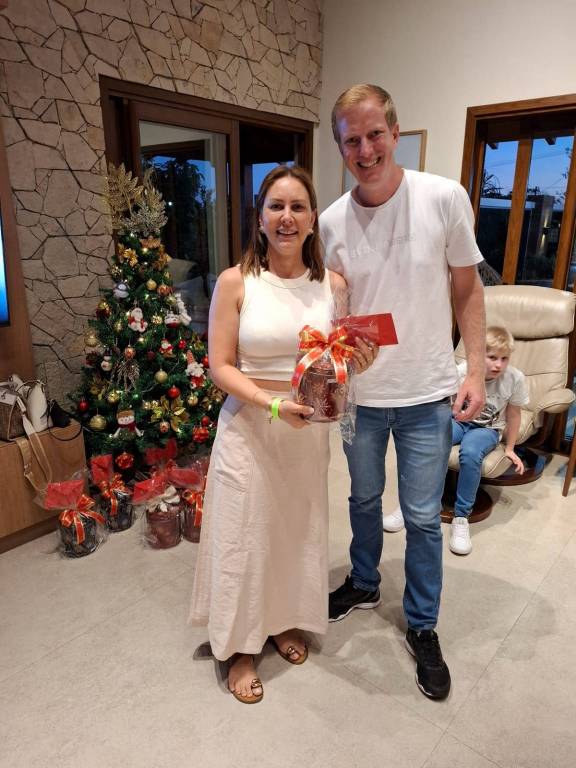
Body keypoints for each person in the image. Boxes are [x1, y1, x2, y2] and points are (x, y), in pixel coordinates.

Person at [320, 84, 486, 700]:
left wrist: (475, 371)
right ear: (340, 147)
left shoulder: (443, 197)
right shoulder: (330, 221)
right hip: (361, 397)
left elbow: (467, 289)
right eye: (351, 141)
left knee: (420, 517)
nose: (365, 151)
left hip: (426, 393)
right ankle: (364, 582)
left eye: (374, 135)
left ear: (394, 132)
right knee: (363, 499)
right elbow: (333, 306)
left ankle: (422, 624)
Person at [189, 165, 377, 704]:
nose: (287, 217)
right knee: (244, 537)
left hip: (306, 434)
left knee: (294, 533)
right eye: (276, 206)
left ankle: (281, 621)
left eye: (298, 207)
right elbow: (220, 366)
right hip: (251, 427)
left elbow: (335, 360)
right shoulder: (236, 282)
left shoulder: (333, 287)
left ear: (314, 219)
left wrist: (358, 361)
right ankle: (239, 647)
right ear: (260, 217)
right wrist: (271, 404)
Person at [449, 326, 529, 555]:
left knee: (470, 452)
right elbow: (445, 402)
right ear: (478, 354)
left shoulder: (515, 378)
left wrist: (510, 448)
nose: (498, 365)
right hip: (458, 420)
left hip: (487, 429)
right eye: (492, 357)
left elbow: (514, 414)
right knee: (434, 442)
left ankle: (461, 517)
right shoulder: (462, 371)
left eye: (504, 359)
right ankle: (417, 504)